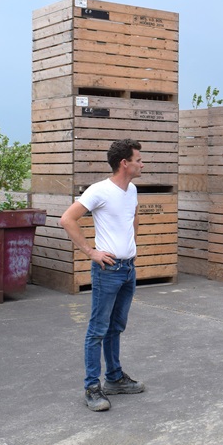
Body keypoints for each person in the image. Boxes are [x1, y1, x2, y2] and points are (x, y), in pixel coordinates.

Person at [60, 138, 146, 412]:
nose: (142, 163)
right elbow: (67, 219)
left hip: (127, 268)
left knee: (115, 327)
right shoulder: (99, 191)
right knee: (97, 330)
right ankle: (91, 387)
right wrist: (90, 251)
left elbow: (132, 219)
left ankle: (114, 378)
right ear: (125, 163)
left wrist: (130, 248)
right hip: (107, 270)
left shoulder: (131, 190)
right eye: (138, 159)